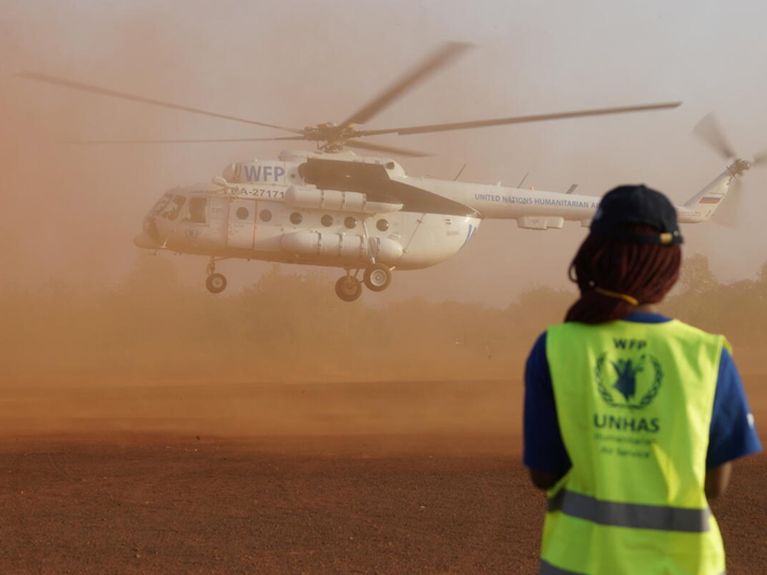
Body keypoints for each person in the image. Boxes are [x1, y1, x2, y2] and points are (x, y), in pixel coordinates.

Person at [523, 184, 762, 575]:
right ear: (670, 263)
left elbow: (544, 473)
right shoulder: (707, 354)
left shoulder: (555, 347)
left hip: (578, 564)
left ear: (594, 255)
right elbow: (714, 485)